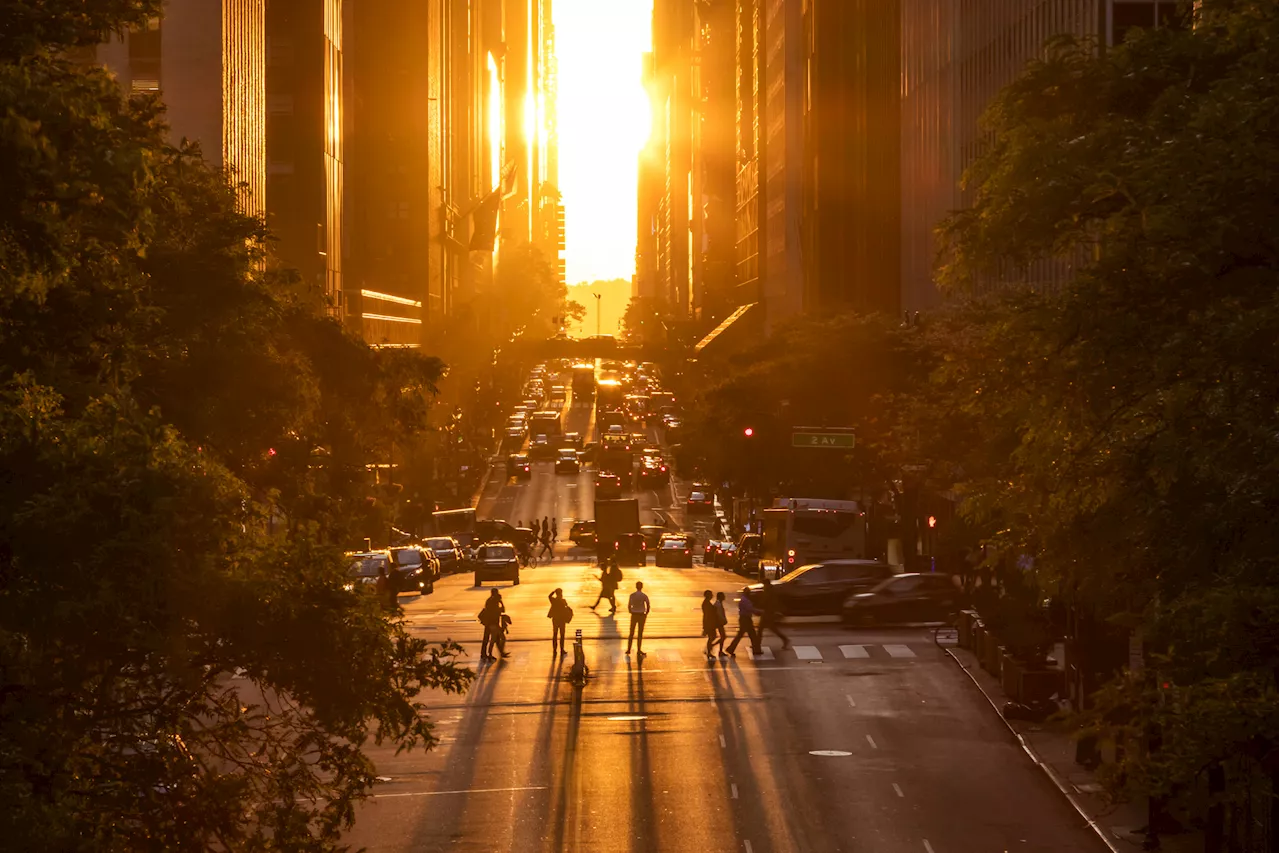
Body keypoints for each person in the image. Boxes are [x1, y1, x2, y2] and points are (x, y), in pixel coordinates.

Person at [726, 588, 762, 656]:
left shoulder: (744, 599)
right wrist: (759, 612)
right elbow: (750, 609)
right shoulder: (745, 600)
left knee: (743, 635)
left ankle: (731, 648)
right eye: (749, 592)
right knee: (752, 635)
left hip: (745, 619)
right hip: (746, 619)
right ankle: (756, 650)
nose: (750, 594)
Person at [758, 578, 791, 650]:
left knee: (762, 629)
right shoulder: (770, 590)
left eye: (764, 584)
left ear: (766, 584)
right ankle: (785, 639)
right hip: (768, 612)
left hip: (768, 613)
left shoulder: (769, 591)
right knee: (770, 628)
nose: (763, 586)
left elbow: (768, 602)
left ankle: (757, 644)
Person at [478, 589, 507, 660]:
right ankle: (485, 654)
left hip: (493, 622)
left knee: (495, 639)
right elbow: (494, 611)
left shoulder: (493, 601)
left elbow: (502, 610)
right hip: (491, 623)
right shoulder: (491, 601)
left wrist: (501, 603)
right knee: (490, 639)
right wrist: (500, 604)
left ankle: (499, 653)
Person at [625, 581, 650, 657]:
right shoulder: (644, 595)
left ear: (636, 586)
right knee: (640, 633)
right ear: (642, 587)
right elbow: (648, 605)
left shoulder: (632, 595)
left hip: (634, 614)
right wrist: (646, 613)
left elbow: (629, 605)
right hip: (641, 615)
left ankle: (629, 649)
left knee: (631, 632)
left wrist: (631, 611)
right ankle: (638, 649)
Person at [547, 588, 573, 655]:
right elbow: (566, 606)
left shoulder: (553, 600)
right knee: (562, 635)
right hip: (562, 620)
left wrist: (553, 591)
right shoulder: (563, 601)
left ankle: (554, 650)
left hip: (555, 619)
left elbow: (549, 596)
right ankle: (562, 650)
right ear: (561, 593)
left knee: (555, 634)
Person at [701, 590, 719, 659]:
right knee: (712, 637)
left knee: (712, 637)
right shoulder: (706, 604)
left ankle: (708, 650)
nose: (712, 596)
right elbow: (707, 615)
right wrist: (705, 626)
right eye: (711, 594)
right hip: (709, 623)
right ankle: (708, 651)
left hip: (710, 623)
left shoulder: (707, 603)